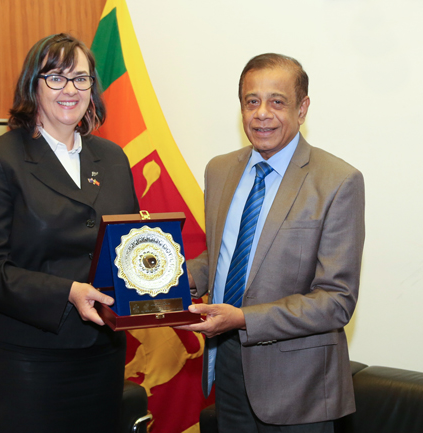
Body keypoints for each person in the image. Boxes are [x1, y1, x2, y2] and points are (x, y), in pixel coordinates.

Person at [0, 33, 139, 433]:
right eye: (55, 78)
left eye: (80, 78)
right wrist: (67, 293)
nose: (70, 89)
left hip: (102, 355)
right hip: (29, 361)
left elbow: (125, 246)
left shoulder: (112, 158)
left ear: (93, 87)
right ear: (33, 85)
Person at [179, 54, 365, 433]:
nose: (262, 113)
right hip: (228, 368)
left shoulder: (338, 181)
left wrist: (245, 319)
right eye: (252, 101)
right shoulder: (219, 169)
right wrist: (172, 278)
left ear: (302, 108)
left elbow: (336, 300)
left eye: (277, 101)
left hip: (298, 387)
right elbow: (223, 257)